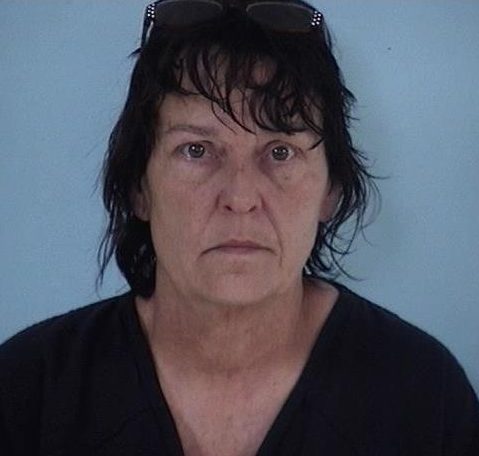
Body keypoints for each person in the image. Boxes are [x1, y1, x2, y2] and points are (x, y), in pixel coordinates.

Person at [1, 0, 478, 454]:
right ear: (139, 187)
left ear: (331, 190)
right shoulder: (27, 392)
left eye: (280, 152)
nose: (241, 197)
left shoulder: (424, 397)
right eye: (196, 150)